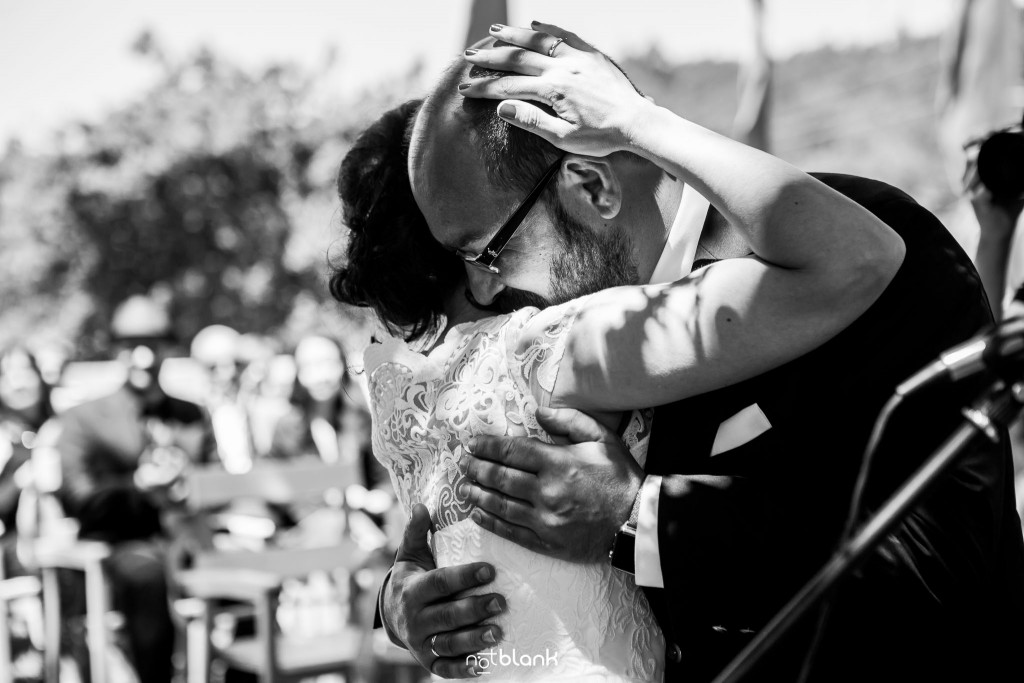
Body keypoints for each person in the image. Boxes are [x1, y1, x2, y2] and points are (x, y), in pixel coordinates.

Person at [371, 23, 1024, 683]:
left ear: (594, 188)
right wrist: (403, 602)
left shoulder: (878, 245)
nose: (484, 288)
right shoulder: (540, 328)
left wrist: (637, 517)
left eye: (489, 252)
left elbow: (937, 569)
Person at [53, 294, 207, 683]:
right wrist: (139, 486)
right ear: (116, 351)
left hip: (193, 536)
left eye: (152, 347)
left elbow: (215, 474)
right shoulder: (84, 417)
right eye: (131, 347)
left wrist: (188, 488)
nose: (143, 357)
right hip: (124, 541)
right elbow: (79, 497)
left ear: (167, 349)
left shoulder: (190, 413)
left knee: (248, 569)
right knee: (147, 575)